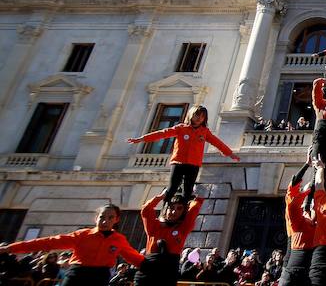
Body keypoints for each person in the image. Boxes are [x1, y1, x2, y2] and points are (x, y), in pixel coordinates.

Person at [0, 204, 144, 286]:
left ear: (117, 219)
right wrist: (10, 248)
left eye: (110, 218)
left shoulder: (119, 239)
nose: (105, 221)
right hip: (77, 274)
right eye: (102, 217)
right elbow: (48, 242)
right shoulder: (82, 235)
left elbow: (135, 258)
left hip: (99, 277)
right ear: (96, 218)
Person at [128, 105, 240, 204]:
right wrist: (142, 139)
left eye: (202, 117)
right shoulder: (181, 128)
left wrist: (230, 154)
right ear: (191, 115)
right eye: (197, 115)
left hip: (193, 164)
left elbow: (217, 143)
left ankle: (183, 213)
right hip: (178, 162)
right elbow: (162, 133)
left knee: (188, 190)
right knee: (172, 188)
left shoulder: (204, 132)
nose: (199, 118)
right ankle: (166, 208)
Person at [135, 188, 205, 286]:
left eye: (179, 208)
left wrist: (195, 197)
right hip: (148, 272)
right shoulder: (154, 226)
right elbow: (146, 210)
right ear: (166, 208)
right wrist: (162, 196)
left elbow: (194, 210)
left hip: (168, 274)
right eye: (171, 208)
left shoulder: (183, 228)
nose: (174, 212)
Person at [281, 150, 315, 286]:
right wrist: (307, 165)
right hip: (294, 245)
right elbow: (295, 183)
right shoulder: (293, 204)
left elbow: (312, 188)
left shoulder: (307, 210)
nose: (305, 190)